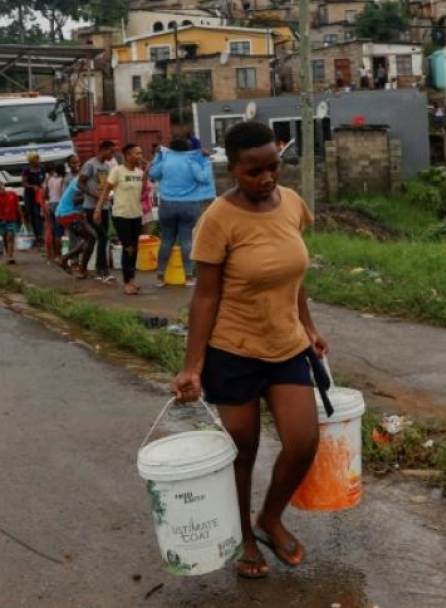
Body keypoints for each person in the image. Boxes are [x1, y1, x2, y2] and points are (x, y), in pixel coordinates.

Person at [170, 121, 329, 580]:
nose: (266, 179)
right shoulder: (217, 220)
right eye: (253, 171)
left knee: (303, 442)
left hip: (286, 347)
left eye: (273, 167)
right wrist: (192, 366)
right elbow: (205, 297)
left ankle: (269, 518)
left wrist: (309, 326)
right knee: (243, 449)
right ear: (233, 170)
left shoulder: (293, 205)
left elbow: (289, 274)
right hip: (233, 350)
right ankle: (242, 535)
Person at [148, 137, 215, 288]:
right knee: (186, 241)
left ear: (170, 149)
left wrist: (158, 156)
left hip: (167, 204)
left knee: (166, 241)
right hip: (189, 205)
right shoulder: (192, 161)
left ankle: (160, 277)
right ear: (188, 149)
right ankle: (189, 278)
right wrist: (205, 160)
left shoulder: (165, 160)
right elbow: (203, 178)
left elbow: (153, 174)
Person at [95, 144, 144, 295]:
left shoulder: (139, 172)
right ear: (128, 155)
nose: (140, 156)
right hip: (121, 215)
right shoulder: (117, 171)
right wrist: (98, 209)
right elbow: (106, 191)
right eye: (137, 153)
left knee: (135, 248)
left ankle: (131, 278)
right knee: (128, 247)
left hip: (136, 214)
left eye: (141, 153)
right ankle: (127, 282)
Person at [79, 141, 115, 282]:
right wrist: (93, 194)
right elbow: (80, 183)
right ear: (103, 150)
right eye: (111, 151)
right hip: (91, 208)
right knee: (102, 237)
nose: (112, 155)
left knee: (104, 238)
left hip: (104, 207)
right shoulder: (90, 164)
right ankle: (101, 270)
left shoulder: (106, 166)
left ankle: (102, 269)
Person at [54, 176, 94, 279]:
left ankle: (67, 260)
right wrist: (92, 194)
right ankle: (80, 268)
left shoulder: (86, 179)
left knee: (89, 238)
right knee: (91, 237)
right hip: (67, 213)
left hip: (72, 213)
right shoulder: (81, 180)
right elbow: (75, 200)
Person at [0, 180, 23, 264]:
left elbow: (18, 206)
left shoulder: (13, 194)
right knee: (5, 238)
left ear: (3, 185)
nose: (0, 190)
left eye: (1, 187)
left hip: (12, 220)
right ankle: (8, 254)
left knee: (10, 236)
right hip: (2, 221)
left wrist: (22, 217)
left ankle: (11, 256)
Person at [44, 163, 70, 262]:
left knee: (53, 231)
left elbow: (45, 193)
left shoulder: (49, 179)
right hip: (59, 205)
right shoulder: (63, 180)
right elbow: (63, 195)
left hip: (50, 204)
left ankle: (54, 255)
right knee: (60, 232)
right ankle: (59, 255)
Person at [22, 153, 46, 246]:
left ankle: (40, 236)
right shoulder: (27, 169)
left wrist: (43, 188)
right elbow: (23, 183)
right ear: (31, 161)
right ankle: (36, 236)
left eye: (38, 158)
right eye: (36, 158)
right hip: (29, 195)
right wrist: (32, 187)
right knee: (31, 215)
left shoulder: (42, 168)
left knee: (38, 215)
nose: (38, 160)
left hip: (39, 195)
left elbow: (44, 180)